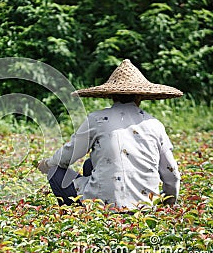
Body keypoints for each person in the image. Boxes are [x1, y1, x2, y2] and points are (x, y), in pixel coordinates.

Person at [38, 59, 182, 210]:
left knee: (55, 172)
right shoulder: (155, 124)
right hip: (145, 206)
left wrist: (47, 164)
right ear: (140, 97)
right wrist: (167, 205)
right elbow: (172, 175)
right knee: (89, 164)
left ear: (112, 96)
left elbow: (68, 155)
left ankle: (80, 216)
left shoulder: (97, 119)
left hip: (104, 207)